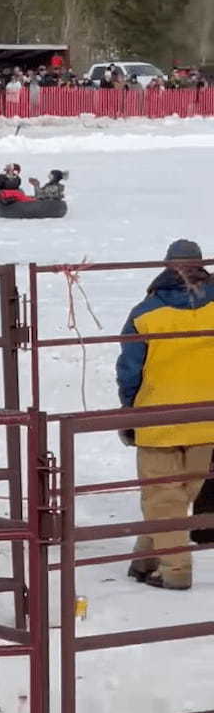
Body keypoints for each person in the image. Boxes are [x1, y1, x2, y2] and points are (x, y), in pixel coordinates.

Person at [116, 239, 214, 590]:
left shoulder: (145, 313)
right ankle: (145, 560)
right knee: (177, 496)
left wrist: (129, 412)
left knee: (163, 497)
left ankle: (175, 572)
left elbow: (130, 370)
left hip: (159, 418)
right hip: (207, 419)